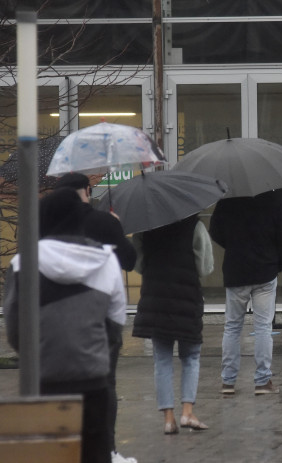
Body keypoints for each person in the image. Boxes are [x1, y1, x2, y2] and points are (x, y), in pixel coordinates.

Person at [4, 187, 127, 463]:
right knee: (95, 453)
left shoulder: (23, 263)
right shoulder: (106, 261)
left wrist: (35, 352)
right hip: (93, 379)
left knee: (49, 455)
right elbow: (117, 320)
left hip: (43, 379)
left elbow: (13, 326)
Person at [53, 173, 137, 463]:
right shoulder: (104, 222)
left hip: (56, 320)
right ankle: (106, 448)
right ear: (88, 190)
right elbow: (129, 260)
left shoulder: (47, 228)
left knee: (57, 386)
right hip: (99, 318)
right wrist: (117, 228)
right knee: (104, 386)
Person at [131, 214, 213, 435]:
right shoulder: (194, 225)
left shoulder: (145, 227)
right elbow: (205, 267)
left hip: (155, 298)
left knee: (162, 359)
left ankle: (168, 419)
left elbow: (138, 264)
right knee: (191, 356)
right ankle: (187, 411)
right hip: (187, 298)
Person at [210, 192, 282, 395]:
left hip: (235, 269)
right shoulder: (273, 200)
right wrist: (279, 263)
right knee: (263, 327)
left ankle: (228, 381)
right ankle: (263, 381)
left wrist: (234, 246)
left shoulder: (227, 201)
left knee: (232, 327)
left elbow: (215, 231)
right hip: (265, 270)